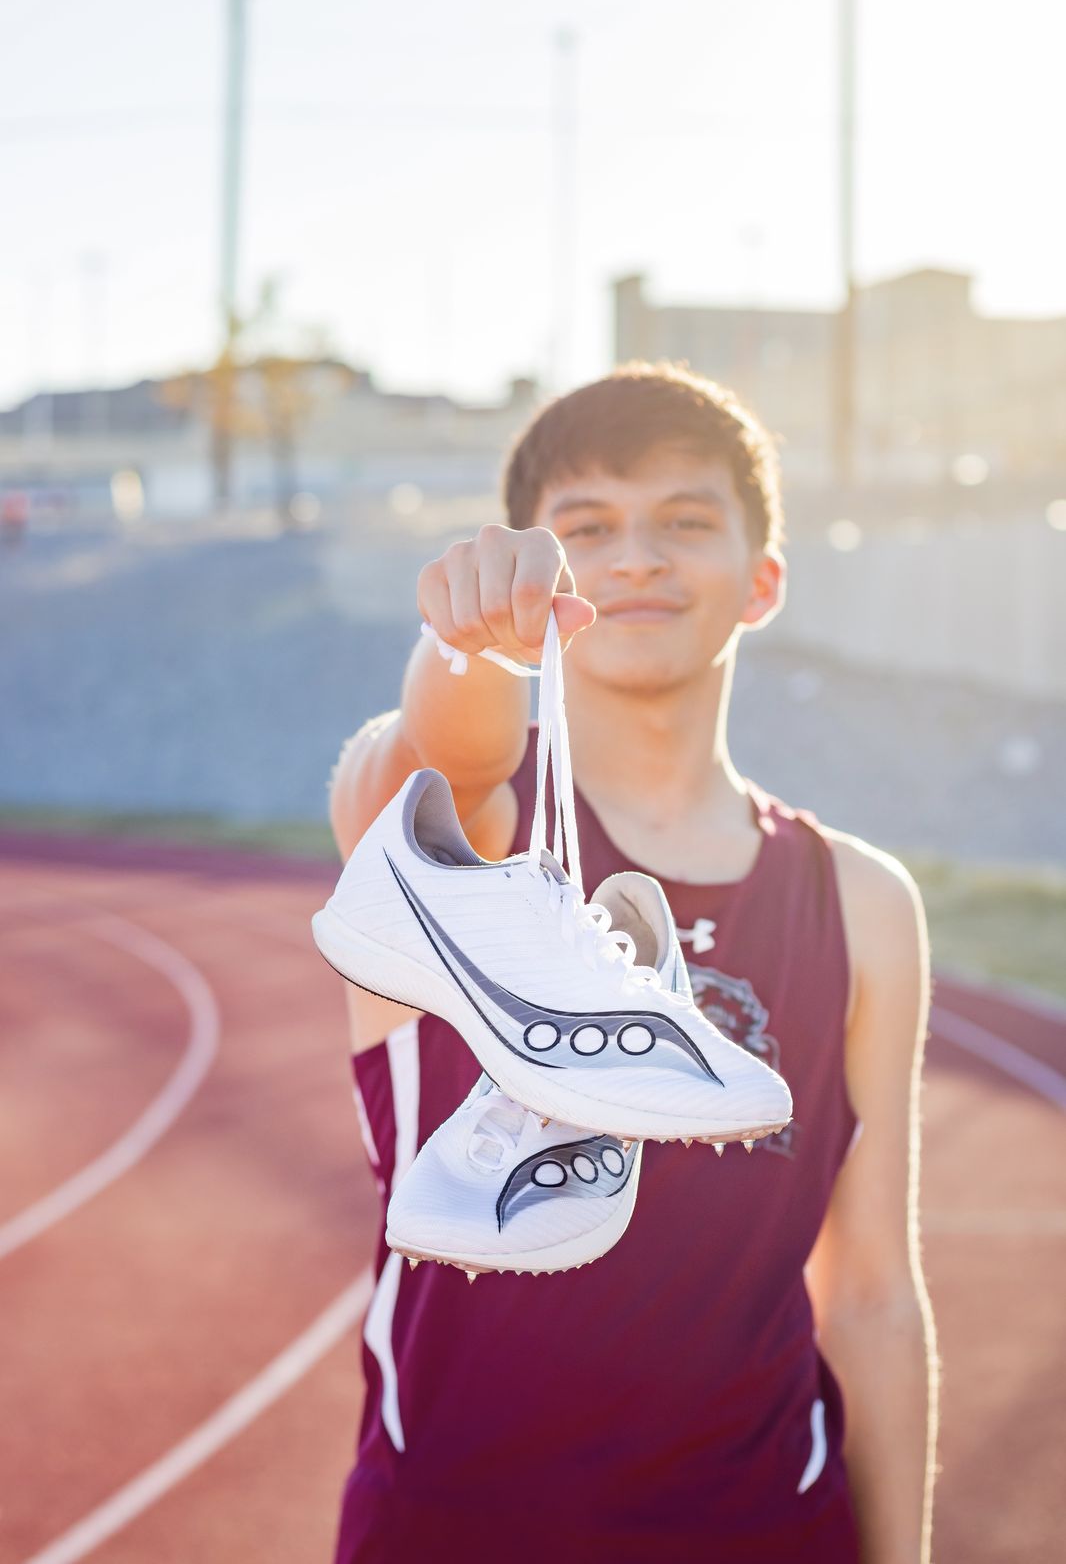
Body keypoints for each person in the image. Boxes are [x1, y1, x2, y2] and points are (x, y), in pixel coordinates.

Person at [325, 361, 938, 1562]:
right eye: (586, 527)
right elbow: (440, 765)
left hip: (767, 1526)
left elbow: (868, 1290)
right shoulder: (449, 839)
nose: (637, 557)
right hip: (451, 1529)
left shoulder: (857, 900)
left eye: (686, 522)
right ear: (535, 570)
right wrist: (475, 643)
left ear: (761, 582)